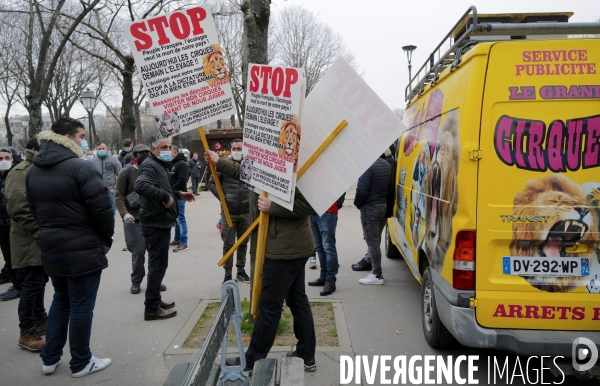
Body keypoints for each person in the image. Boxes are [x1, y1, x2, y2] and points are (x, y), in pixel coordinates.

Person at [206, 150, 317, 372]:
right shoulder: (276, 159)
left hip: (285, 249)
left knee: (269, 305)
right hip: (287, 246)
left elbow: (310, 205)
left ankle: (253, 360)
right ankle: (306, 355)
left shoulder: (302, 165)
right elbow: (248, 172)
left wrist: (272, 206)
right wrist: (220, 162)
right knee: (297, 300)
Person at [27, 117, 113, 377]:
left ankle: (50, 358)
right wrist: (104, 241)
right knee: (80, 306)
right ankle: (81, 361)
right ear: (68, 137)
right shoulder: (80, 167)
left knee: (61, 301)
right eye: (80, 135)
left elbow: (33, 210)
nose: (83, 140)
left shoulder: (34, 170)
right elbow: (102, 211)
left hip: (52, 247)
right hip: (82, 247)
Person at [134, 138, 195, 321]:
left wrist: (177, 194)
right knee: (158, 266)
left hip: (159, 221)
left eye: (169, 147)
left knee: (157, 265)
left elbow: (162, 187)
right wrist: (164, 196)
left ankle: (155, 299)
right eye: (163, 147)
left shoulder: (160, 164)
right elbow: (141, 186)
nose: (168, 150)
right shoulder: (151, 165)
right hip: (155, 223)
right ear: (154, 150)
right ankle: (151, 308)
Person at [6, 138, 48, 351]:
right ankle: (26, 332)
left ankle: (40, 320)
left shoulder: (37, 169)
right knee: (30, 286)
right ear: (34, 150)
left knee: (39, 282)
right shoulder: (21, 171)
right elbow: (17, 207)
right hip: (29, 239)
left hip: (38, 239)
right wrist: (40, 232)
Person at [115, 145, 167, 295]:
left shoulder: (154, 170)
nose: (143, 156)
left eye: (146, 153)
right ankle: (136, 280)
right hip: (134, 220)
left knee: (154, 252)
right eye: (140, 154)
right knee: (138, 252)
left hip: (153, 218)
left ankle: (154, 280)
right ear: (134, 156)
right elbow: (118, 196)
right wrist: (124, 214)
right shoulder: (126, 173)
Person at [207, 139, 251, 284]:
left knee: (243, 242)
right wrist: (223, 197)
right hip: (228, 212)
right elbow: (212, 182)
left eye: (240, 148)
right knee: (229, 243)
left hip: (246, 211)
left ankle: (241, 270)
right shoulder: (223, 165)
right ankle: (227, 273)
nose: (237, 151)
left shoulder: (249, 165)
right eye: (235, 148)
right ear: (231, 149)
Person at [352, 149, 396, 271]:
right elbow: (389, 187)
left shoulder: (366, 167)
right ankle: (374, 270)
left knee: (372, 242)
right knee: (374, 240)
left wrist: (357, 204)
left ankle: (376, 273)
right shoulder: (387, 165)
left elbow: (361, 190)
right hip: (382, 205)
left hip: (370, 207)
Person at [307, 194, 345, 296]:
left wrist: (337, 204)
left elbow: (342, 187)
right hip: (313, 211)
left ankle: (330, 281)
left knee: (328, 247)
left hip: (327, 212)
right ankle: (324, 277)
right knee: (319, 247)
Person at [0, 147, 22, 301]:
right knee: (8, 256)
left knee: (16, 257)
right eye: (1, 158)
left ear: (12, 160)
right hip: (1, 224)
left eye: (7, 158)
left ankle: (19, 286)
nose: (4, 161)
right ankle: (15, 282)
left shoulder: (15, 176)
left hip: (15, 224)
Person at [91, 143, 122, 219]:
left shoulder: (114, 160)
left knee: (111, 215)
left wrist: (115, 188)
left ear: (107, 149)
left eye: (103, 148)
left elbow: (121, 175)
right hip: (97, 192)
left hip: (110, 192)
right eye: (99, 149)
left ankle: (111, 230)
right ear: (96, 150)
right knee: (99, 215)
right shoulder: (92, 162)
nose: (101, 150)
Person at [169, 145, 190, 252]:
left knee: (180, 219)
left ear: (175, 152)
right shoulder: (171, 164)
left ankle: (184, 242)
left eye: (169, 151)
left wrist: (171, 189)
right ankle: (177, 239)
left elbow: (182, 180)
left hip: (179, 195)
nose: (168, 153)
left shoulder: (181, 164)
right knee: (175, 218)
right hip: (173, 195)